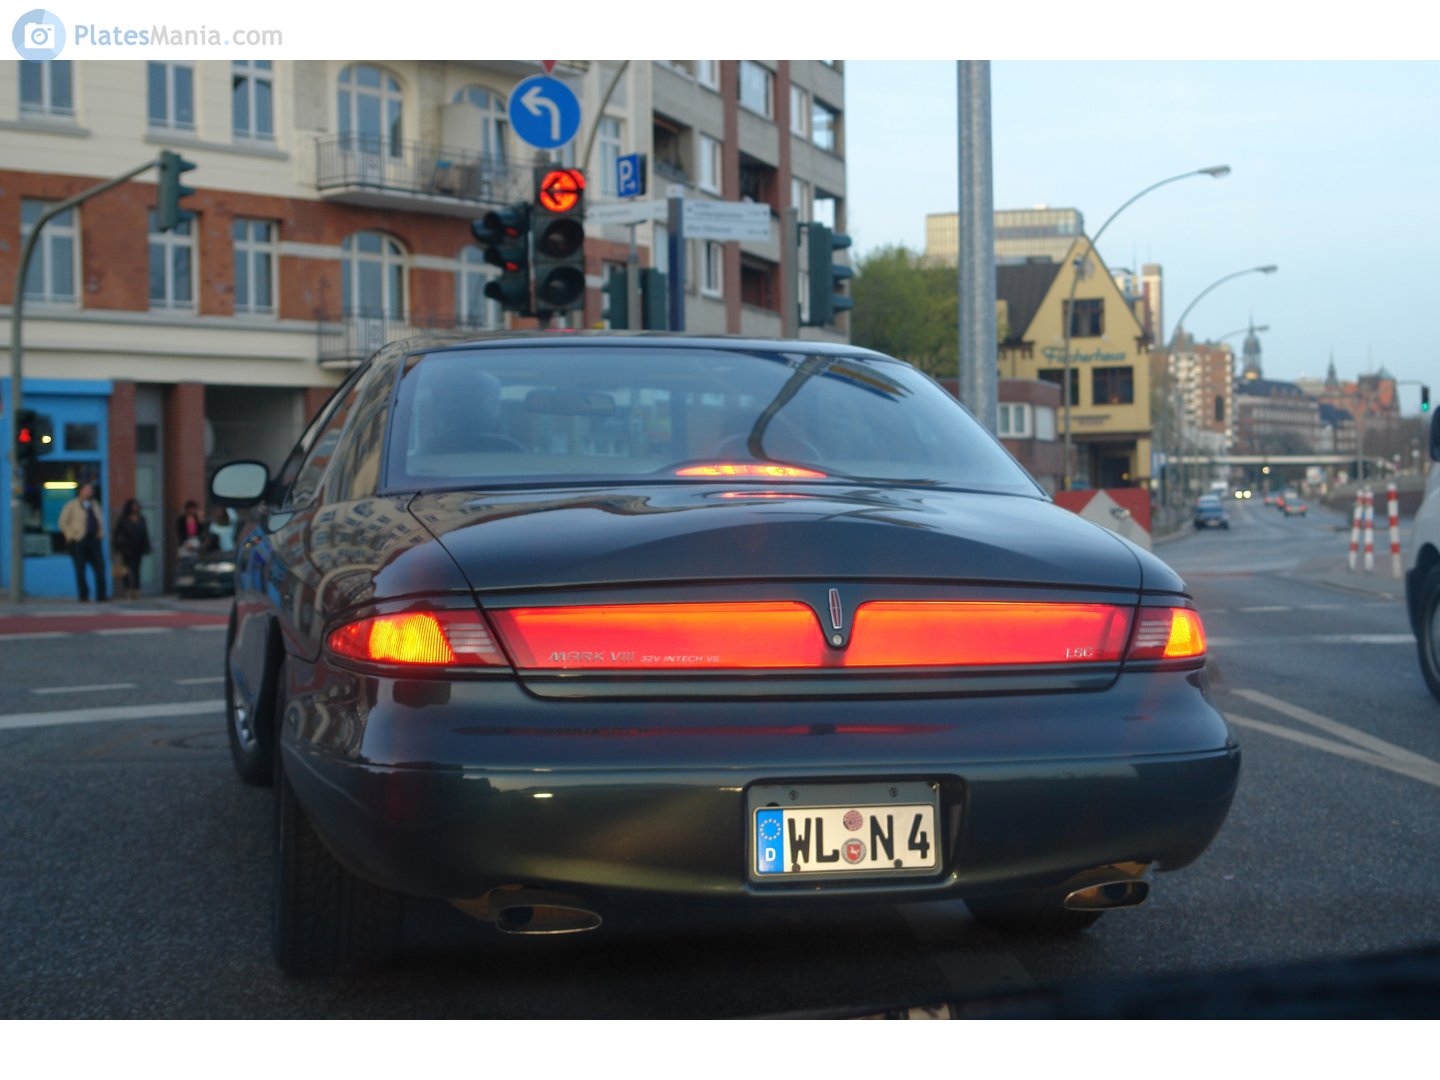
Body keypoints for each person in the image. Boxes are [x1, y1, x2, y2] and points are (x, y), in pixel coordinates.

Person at [58, 482, 108, 602]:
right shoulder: (71, 505)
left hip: (94, 540)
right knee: (80, 570)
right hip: (79, 541)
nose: (89, 492)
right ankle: (83, 595)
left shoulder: (95, 505)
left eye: (90, 489)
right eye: (87, 489)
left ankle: (101, 595)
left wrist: (101, 532)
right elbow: (62, 523)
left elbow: (100, 519)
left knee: (100, 568)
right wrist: (72, 535)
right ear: (80, 491)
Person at [111, 498, 152, 601]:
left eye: (137, 506)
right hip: (126, 548)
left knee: (137, 570)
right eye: (134, 506)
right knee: (126, 571)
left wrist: (147, 546)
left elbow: (145, 534)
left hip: (138, 548)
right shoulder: (123, 519)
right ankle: (127, 590)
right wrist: (116, 546)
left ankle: (136, 590)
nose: (136, 508)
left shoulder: (141, 518)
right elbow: (116, 533)